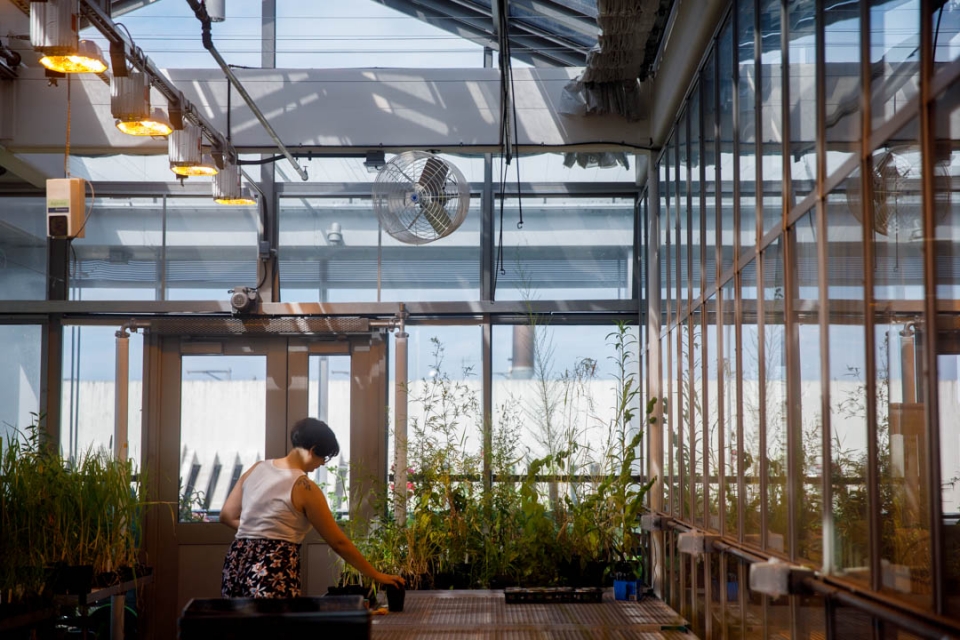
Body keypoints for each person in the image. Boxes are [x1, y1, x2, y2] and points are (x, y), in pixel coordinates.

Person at [219, 417, 405, 598]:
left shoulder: (257, 468)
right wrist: (376, 575)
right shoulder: (303, 486)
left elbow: (227, 515)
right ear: (313, 450)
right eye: (323, 457)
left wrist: (257, 533)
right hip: (272, 564)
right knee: (273, 627)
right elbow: (338, 542)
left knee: (238, 626)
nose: (323, 463)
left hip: (237, 560)